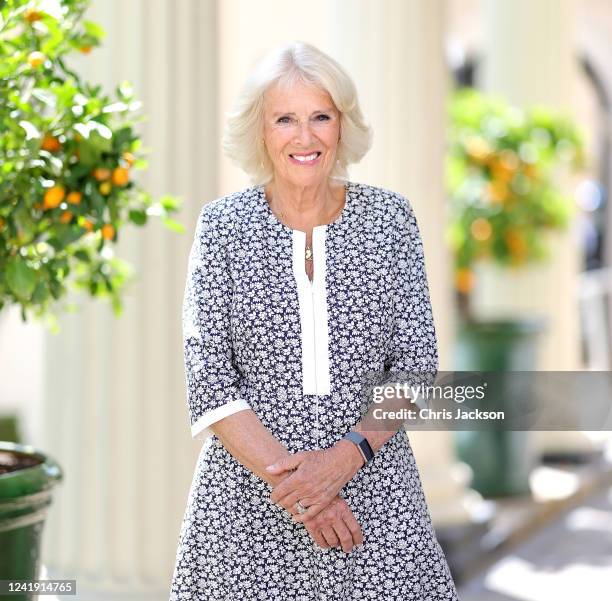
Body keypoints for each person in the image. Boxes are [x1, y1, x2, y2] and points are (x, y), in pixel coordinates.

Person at [169, 40, 459, 600]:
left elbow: (417, 368)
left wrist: (341, 463)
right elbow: (209, 380)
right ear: (261, 132)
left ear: (342, 126)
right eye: (285, 119)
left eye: (320, 117)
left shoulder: (390, 218)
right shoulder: (222, 228)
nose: (305, 137)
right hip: (245, 506)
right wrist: (305, 488)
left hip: (375, 497)